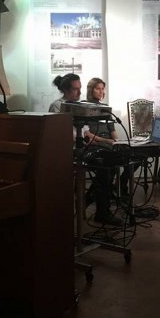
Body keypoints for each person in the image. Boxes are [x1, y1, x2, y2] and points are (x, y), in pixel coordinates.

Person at [49, 74, 122, 225]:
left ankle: (95, 204)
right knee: (104, 167)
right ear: (65, 90)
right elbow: (62, 133)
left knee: (109, 161)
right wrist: (84, 140)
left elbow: (86, 132)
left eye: (80, 88)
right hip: (69, 152)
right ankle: (99, 209)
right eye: (75, 89)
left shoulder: (79, 106)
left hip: (82, 148)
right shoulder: (57, 106)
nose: (79, 92)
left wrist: (106, 141)